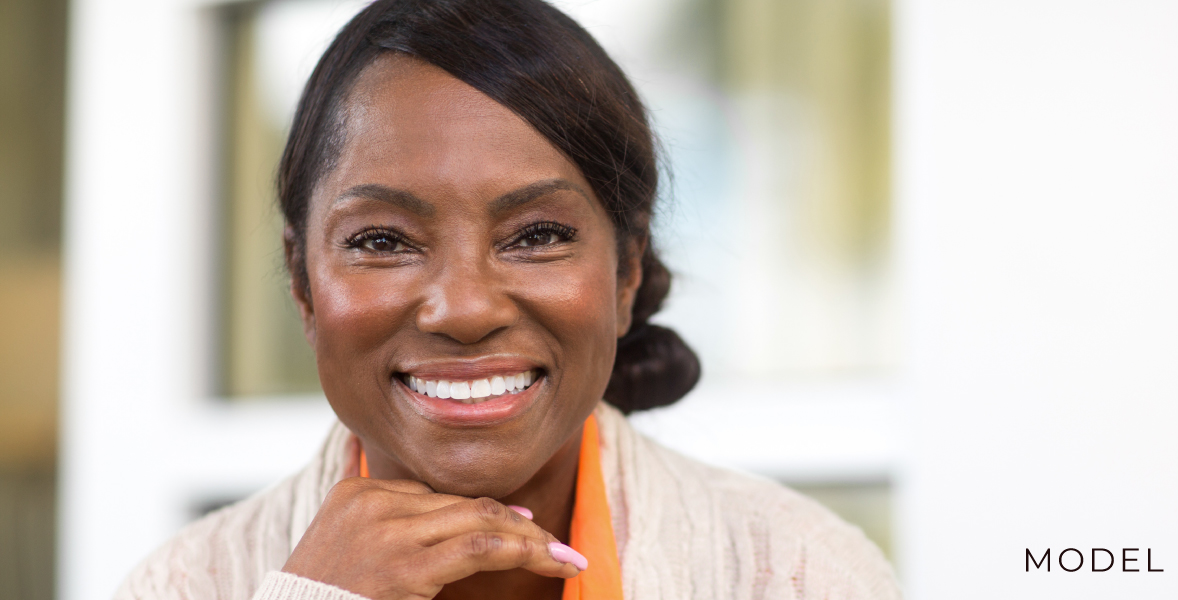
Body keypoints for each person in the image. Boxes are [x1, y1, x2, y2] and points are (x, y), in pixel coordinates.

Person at [118, 1, 901, 598]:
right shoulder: (189, 582)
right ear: (302, 284)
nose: (462, 309)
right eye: (383, 241)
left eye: (537, 235)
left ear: (627, 272)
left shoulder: (797, 572)